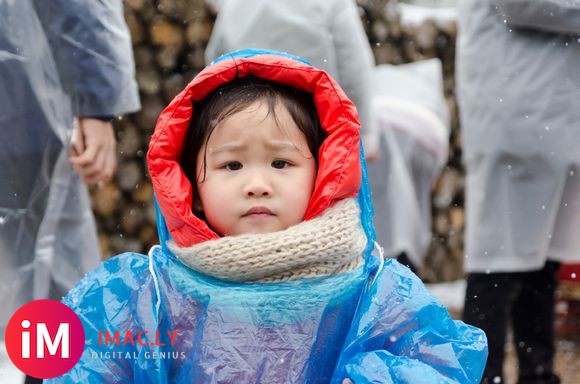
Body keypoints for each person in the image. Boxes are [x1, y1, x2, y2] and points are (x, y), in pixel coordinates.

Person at [46, 50, 486, 383]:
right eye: (231, 166)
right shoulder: (149, 297)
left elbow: (429, 361)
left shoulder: (374, 291)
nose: (257, 184)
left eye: (281, 163)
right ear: (190, 187)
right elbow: (92, 361)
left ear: (324, 175)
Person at [0, 0, 140, 350]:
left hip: (19, 105)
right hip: (19, 110)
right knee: (43, 279)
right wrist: (96, 103)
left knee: (39, 276)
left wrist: (95, 102)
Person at [456, 1, 580, 383]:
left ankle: (537, 372)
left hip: (549, 118)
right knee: (497, 261)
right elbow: (524, 4)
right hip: (516, 118)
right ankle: (482, 374)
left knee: (539, 259)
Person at [204, 0, 379, 160]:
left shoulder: (234, 4)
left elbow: (215, 62)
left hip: (246, 122)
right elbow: (353, 67)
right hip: (314, 122)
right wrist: (364, 135)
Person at [367, 59, 450, 273]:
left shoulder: (384, 81)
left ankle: (388, 259)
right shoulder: (423, 93)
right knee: (407, 212)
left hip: (375, 124)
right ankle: (403, 261)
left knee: (380, 212)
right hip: (419, 132)